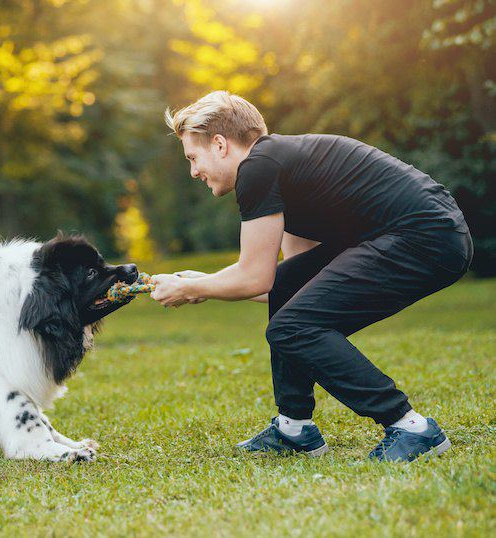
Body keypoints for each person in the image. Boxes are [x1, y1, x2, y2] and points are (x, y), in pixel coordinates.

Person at [151, 90, 472, 462]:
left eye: (193, 157)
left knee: (292, 327)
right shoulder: (277, 168)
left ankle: (410, 426)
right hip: (427, 236)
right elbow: (283, 286)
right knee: (291, 303)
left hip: (424, 237)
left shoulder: (258, 168)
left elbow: (255, 280)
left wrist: (194, 285)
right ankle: (295, 428)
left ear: (220, 145)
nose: (194, 171)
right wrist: (206, 286)